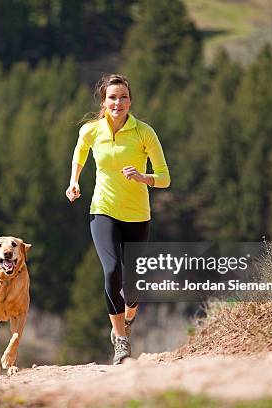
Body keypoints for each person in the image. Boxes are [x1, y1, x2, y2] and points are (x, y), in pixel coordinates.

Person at [66, 74, 170, 365]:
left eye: (123, 97)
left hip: (137, 215)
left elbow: (164, 178)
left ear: (130, 101)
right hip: (103, 210)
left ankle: (128, 316)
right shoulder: (91, 130)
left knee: (133, 286)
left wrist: (142, 177)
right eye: (112, 97)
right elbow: (80, 152)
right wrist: (74, 181)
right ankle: (121, 340)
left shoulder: (144, 133)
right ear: (103, 101)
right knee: (111, 270)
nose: (118, 103)